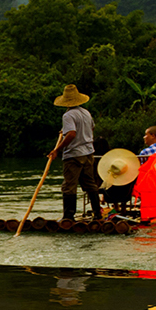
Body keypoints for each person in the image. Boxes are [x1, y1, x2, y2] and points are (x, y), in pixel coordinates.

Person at [49, 84, 101, 220]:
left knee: (69, 185)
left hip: (74, 154)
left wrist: (57, 149)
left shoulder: (68, 115)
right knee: (90, 183)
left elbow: (71, 134)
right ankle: (97, 213)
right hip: (88, 153)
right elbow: (91, 128)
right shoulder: (86, 113)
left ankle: (68, 216)